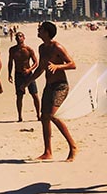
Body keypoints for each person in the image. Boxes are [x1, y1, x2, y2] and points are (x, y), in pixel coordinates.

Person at [23, 21, 78, 161]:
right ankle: (47, 152)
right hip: (49, 86)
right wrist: (28, 82)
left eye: (40, 29)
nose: (38, 30)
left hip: (61, 86)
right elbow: (40, 68)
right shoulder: (42, 48)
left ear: (47, 32)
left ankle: (73, 146)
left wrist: (57, 66)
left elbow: (72, 64)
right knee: (44, 117)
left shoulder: (57, 47)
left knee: (54, 116)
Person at [8, 31, 41, 122]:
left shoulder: (28, 49)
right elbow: (10, 62)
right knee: (19, 96)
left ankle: (38, 115)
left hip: (28, 75)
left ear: (24, 38)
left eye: (20, 36)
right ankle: (20, 116)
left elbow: (36, 62)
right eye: (17, 37)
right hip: (18, 74)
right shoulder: (12, 50)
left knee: (34, 94)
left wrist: (29, 70)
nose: (19, 38)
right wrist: (9, 74)